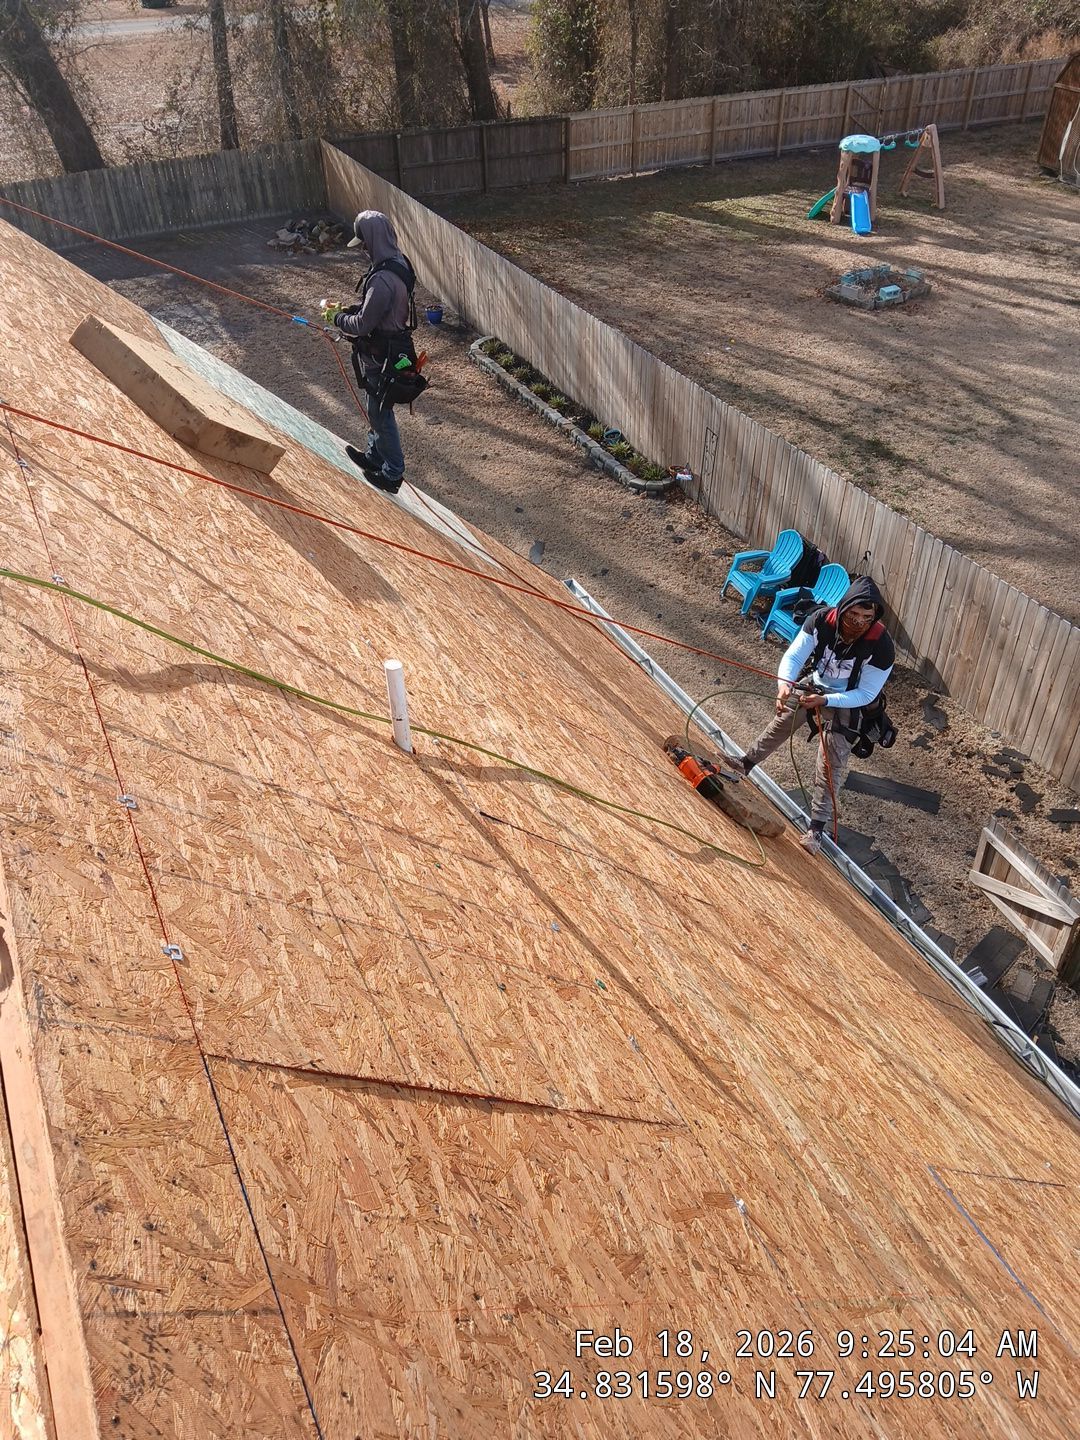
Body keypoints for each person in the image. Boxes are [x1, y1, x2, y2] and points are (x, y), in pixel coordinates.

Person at [740, 576, 895, 854]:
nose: (859, 622)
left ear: (874, 617)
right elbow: (794, 657)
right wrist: (784, 684)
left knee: (829, 763)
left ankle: (816, 829)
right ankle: (744, 764)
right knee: (782, 723)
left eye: (866, 617)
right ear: (844, 607)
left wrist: (826, 700)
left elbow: (866, 694)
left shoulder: (881, 645)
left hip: (848, 702)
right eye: (854, 614)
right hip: (815, 684)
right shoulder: (822, 621)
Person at [322, 211, 417, 495]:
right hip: (392, 348)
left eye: (363, 242)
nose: (363, 248)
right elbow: (376, 310)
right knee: (375, 406)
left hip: (381, 355)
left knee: (380, 412)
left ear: (373, 240)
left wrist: (338, 318)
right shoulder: (400, 263)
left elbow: (363, 325)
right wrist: (356, 309)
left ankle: (393, 473)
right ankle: (375, 455)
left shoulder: (381, 280)